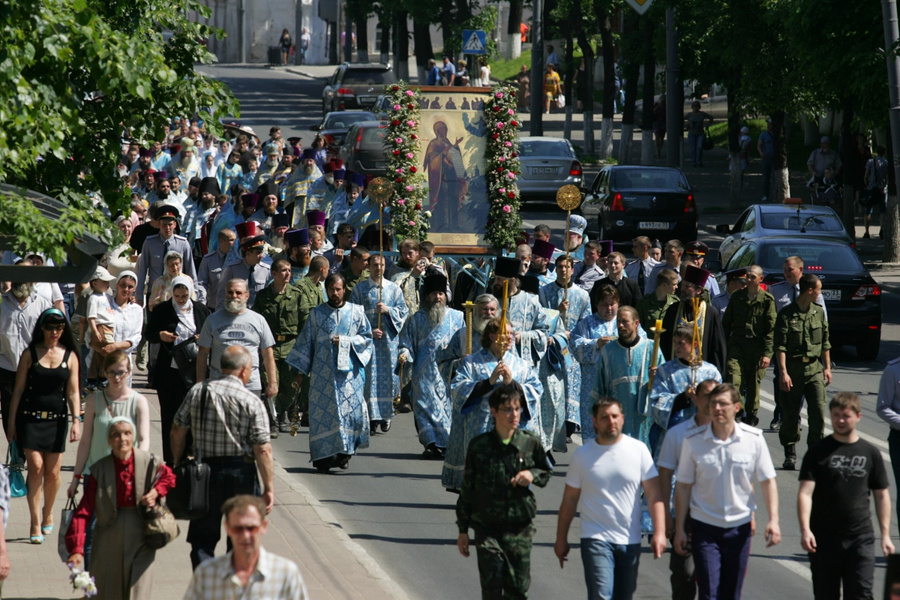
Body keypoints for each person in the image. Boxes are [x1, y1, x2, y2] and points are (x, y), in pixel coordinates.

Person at [674, 383, 781, 600]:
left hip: (738, 529)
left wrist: (773, 520)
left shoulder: (753, 439)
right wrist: (679, 529)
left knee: (731, 593)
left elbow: (767, 481)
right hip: (705, 528)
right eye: (714, 403)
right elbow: (683, 486)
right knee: (709, 591)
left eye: (723, 404)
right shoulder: (693, 441)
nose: (717, 408)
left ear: (737, 407)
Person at [172, 345, 274, 569]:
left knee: (202, 540)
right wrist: (269, 487)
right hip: (242, 475)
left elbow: (178, 429)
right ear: (244, 370)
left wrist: (178, 463)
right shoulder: (251, 401)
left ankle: (206, 586)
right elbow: (262, 448)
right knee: (241, 538)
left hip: (204, 474)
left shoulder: (199, 391)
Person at [555, 397, 666, 599]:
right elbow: (570, 500)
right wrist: (561, 539)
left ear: (622, 419)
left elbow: (653, 494)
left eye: (615, 416)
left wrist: (659, 531)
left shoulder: (639, 450)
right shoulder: (583, 455)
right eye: (604, 417)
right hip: (595, 538)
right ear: (594, 422)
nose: (611, 421)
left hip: (629, 540)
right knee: (601, 594)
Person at [456, 384, 550, 599]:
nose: (514, 415)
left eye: (517, 409)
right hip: (487, 528)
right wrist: (463, 529)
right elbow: (468, 489)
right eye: (507, 409)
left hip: (519, 529)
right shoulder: (479, 446)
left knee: (518, 589)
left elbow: (545, 472)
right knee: (492, 585)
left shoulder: (529, 442)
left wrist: (531, 475)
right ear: (494, 411)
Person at [66, 417, 175, 599]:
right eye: (116, 435)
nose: (122, 439)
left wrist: (156, 492)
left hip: (141, 532)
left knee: (138, 589)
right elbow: (83, 511)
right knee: (109, 589)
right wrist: (77, 548)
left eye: (127, 433)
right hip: (109, 533)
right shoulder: (99, 470)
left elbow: (169, 477)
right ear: (109, 440)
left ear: (133, 437)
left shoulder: (148, 461)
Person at [798, 392, 893, 600]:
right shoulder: (817, 452)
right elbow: (805, 493)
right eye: (836, 415)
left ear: (858, 416)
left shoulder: (870, 453)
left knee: (861, 593)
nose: (840, 420)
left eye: (846, 415)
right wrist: (805, 530)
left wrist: (885, 535)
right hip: (823, 539)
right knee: (825, 594)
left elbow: (882, 495)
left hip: (860, 538)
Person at [7, 308, 81, 543]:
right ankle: (35, 521)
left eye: (58, 328)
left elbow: (73, 391)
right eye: (49, 327)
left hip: (57, 421)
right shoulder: (29, 354)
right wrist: (10, 421)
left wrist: (76, 419)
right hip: (30, 418)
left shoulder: (70, 356)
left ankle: (48, 512)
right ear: (41, 328)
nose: (54, 332)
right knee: (36, 467)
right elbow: (17, 389)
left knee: (53, 473)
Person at [443, 319, 543, 491]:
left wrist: (512, 383)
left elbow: (536, 390)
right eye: (504, 334)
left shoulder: (522, 365)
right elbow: (458, 388)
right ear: (491, 336)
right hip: (480, 425)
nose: (509, 338)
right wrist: (489, 382)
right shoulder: (472, 362)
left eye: (511, 334)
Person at [287, 274, 372, 472]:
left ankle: (344, 454)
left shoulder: (357, 312)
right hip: (322, 376)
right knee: (323, 416)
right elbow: (307, 343)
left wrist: (347, 341)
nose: (335, 293)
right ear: (326, 290)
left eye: (338, 289)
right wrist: (300, 373)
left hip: (350, 377)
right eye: (331, 289)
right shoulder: (317, 314)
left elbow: (367, 339)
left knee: (350, 415)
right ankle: (324, 458)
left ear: (344, 290)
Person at [656, 378, 718, 600]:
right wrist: (666, 517)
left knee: (712, 581)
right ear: (695, 398)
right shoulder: (679, 433)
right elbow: (664, 475)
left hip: (719, 516)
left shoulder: (730, 435)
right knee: (684, 574)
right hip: (687, 515)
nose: (711, 402)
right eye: (705, 396)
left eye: (715, 397)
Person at [184, 495, 309, 599]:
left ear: (263, 526)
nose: (245, 535)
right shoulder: (207, 574)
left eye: (251, 528)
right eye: (238, 528)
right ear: (227, 528)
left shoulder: (285, 574)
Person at [197, 278, 278, 434]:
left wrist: (272, 382)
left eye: (238, 293)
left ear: (247, 296)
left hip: (250, 386)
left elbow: (267, 354)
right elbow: (202, 354)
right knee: (221, 433)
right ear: (225, 294)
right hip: (219, 386)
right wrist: (200, 384)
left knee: (249, 433)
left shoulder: (258, 320)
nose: (234, 296)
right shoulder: (212, 320)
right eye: (230, 292)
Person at [398, 272, 466, 459]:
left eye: (441, 293)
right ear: (427, 296)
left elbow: (463, 344)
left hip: (449, 373)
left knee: (446, 410)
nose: (437, 297)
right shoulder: (416, 319)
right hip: (423, 375)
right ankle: (431, 443)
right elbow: (405, 343)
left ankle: (445, 443)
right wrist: (404, 354)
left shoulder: (458, 317)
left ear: (446, 296)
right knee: (424, 408)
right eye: (434, 293)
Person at [147, 275, 210, 463]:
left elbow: (209, 333)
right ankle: (172, 458)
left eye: (184, 296)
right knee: (170, 416)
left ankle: (190, 454)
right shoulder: (161, 310)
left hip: (194, 369)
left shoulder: (200, 310)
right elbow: (149, 333)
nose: (181, 300)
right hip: (170, 371)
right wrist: (161, 335)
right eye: (177, 296)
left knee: (194, 414)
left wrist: (202, 339)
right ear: (172, 294)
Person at [774, 273, 831, 470]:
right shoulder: (786, 314)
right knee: (790, 414)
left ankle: (814, 454)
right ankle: (790, 452)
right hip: (793, 369)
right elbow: (780, 347)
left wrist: (828, 368)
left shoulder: (818, 312)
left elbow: (825, 342)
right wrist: (783, 373)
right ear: (809, 290)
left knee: (818, 411)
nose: (820, 293)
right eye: (818, 289)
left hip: (814, 369)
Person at [349, 254, 409, 433]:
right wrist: (369, 331)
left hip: (388, 343)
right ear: (369, 266)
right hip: (368, 342)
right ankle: (370, 417)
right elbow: (353, 316)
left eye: (381, 265)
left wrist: (388, 310)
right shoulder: (360, 290)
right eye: (375, 265)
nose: (378, 268)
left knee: (388, 377)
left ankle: (386, 415)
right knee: (368, 379)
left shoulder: (393, 289)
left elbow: (403, 312)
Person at [767, 255, 827, 430]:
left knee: (803, 387)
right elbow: (771, 318)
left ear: (800, 270)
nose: (786, 273)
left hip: (807, 346)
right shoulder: (776, 290)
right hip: (786, 345)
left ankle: (795, 418)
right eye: (784, 269)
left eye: (790, 269)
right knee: (781, 380)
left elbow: (822, 319)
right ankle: (779, 416)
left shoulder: (812, 289)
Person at [594, 307, 663, 449]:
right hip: (615, 418)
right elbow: (598, 386)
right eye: (618, 322)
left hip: (644, 420)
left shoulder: (651, 347)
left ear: (636, 323)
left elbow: (665, 385)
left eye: (625, 322)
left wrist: (657, 378)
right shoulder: (608, 351)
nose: (620, 325)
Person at [650, 326, 722, 456]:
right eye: (675, 342)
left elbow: (721, 402)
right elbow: (656, 401)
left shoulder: (711, 372)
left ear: (694, 344)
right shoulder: (665, 370)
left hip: (703, 435)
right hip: (674, 435)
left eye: (680, 343)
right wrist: (683, 397)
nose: (676, 347)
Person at [251, 260, 302, 434]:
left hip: (291, 345)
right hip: (269, 347)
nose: (288, 273)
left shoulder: (297, 295)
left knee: (290, 386)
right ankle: (273, 419)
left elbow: (304, 324)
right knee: (271, 384)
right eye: (283, 270)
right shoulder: (263, 296)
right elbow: (256, 322)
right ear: (273, 273)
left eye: (289, 270)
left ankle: (282, 411)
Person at [722, 265, 775, 427]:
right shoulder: (737, 297)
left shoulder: (767, 301)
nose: (749, 280)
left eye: (753, 277)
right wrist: (723, 347)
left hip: (757, 347)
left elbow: (771, 330)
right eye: (747, 276)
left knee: (753, 382)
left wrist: (767, 354)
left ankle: (751, 414)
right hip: (737, 344)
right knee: (734, 377)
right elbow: (726, 323)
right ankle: (738, 410)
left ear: (760, 279)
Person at [0, 271, 52, 436]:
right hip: (7, 366)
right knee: (9, 411)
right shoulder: (2, 303)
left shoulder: (43, 304)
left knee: (33, 410)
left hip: (34, 367)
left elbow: (51, 336)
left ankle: (29, 449)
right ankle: (16, 454)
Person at [660, 265, 727, 374]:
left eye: (687, 286)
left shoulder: (710, 313)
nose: (683, 289)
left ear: (698, 290)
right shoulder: (673, 309)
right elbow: (664, 342)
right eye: (683, 285)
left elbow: (717, 349)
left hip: (701, 373)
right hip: (674, 371)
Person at [423, 121, 466, 232]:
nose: (445, 131)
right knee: (441, 201)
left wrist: (455, 147)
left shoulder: (447, 141)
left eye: (446, 129)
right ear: (437, 130)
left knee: (453, 199)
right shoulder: (433, 143)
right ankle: (441, 226)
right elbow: (432, 161)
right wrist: (443, 153)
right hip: (439, 178)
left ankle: (454, 225)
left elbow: (451, 154)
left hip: (451, 176)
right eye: (442, 129)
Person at [196, 228, 237, 310]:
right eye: (231, 240)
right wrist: (202, 304)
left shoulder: (238, 259)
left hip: (234, 306)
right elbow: (202, 283)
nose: (234, 243)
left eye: (235, 240)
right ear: (222, 241)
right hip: (214, 306)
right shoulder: (208, 260)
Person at [863, 144, 889, 238]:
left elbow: (866, 176)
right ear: (884, 152)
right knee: (883, 210)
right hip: (882, 189)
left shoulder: (870, 162)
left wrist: (867, 184)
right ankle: (882, 228)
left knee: (868, 210)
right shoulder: (886, 163)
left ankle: (867, 232)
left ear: (876, 152)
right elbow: (887, 177)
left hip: (871, 189)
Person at [684, 101, 713, 167]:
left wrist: (708, 125)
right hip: (692, 133)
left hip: (700, 133)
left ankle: (699, 161)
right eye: (694, 106)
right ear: (692, 107)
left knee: (699, 147)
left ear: (699, 107)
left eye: (696, 106)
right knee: (692, 148)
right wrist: (687, 125)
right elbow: (681, 119)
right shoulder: (689, 115)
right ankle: (693, 162)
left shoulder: (702, 114)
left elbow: (711, 117)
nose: (695, 107)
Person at [758, 118, 775, 202]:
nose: (769, 126)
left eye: (770, 124)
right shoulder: (764, 134)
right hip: (766, 159)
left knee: (775, 178)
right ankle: (765, 195)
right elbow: (759, 145)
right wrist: (761, 153)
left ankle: (774, 195)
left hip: (775, 159)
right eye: (768, 124)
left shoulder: (777, 134)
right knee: (766, 178)